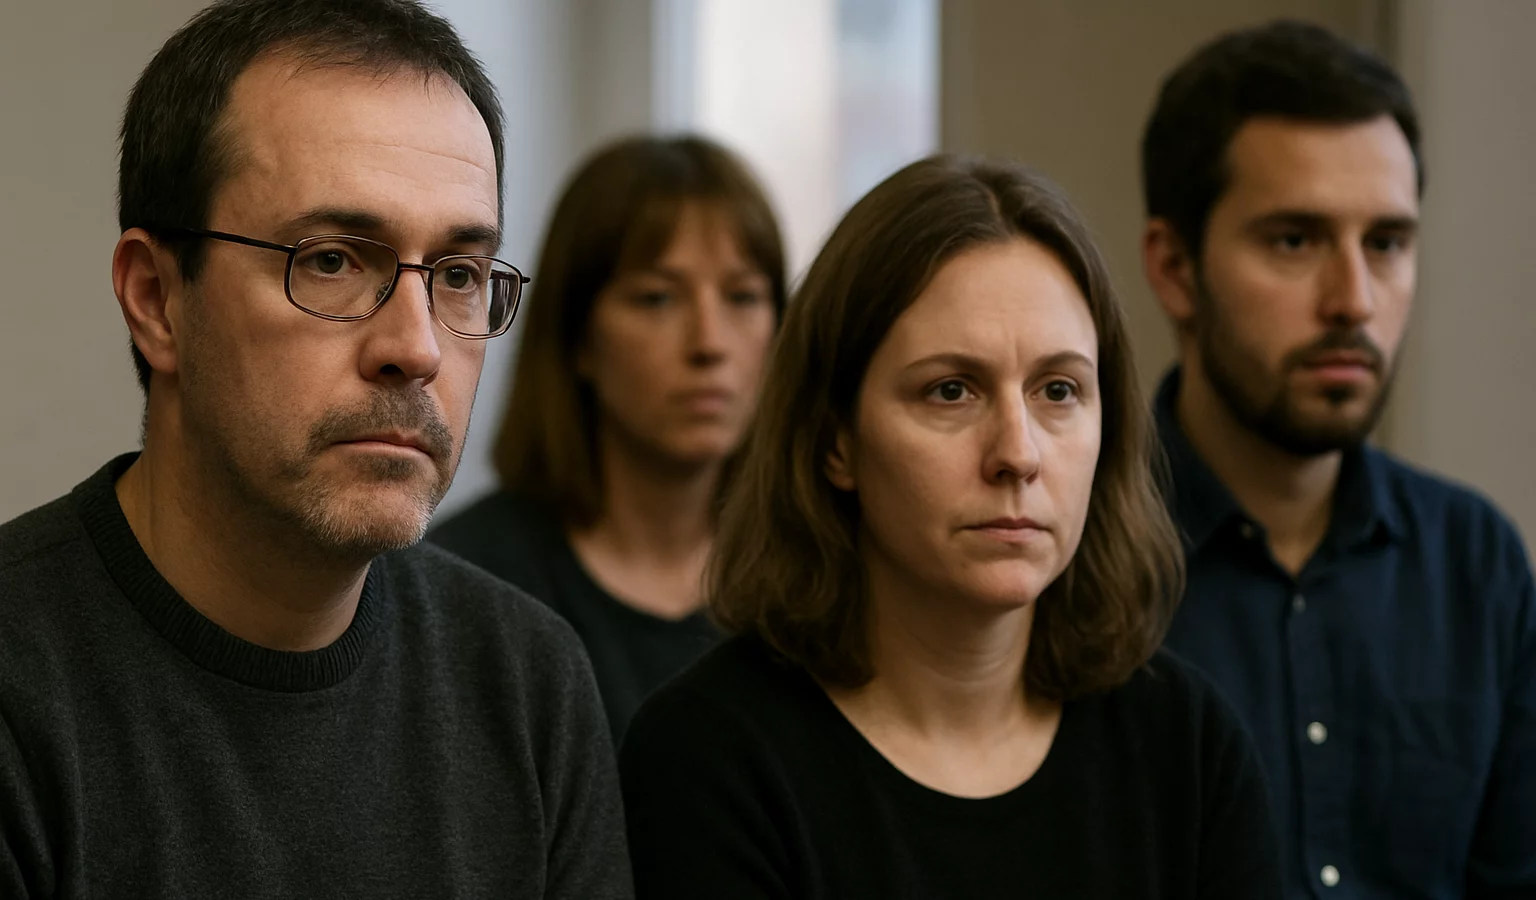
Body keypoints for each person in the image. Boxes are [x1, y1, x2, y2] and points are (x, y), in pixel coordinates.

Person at [0, 1, 631, 896]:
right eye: (332, 259)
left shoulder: (527, 682)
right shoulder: (23, 690)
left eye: (458, 274)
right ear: (156, 300)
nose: (416, 348)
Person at [619, 155, 1282, 899]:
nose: (1018, 454)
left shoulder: (1188, 747)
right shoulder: (707, 758)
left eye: (1058, 390)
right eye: (951, 391)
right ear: (837, 441)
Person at [1140, 20, 1536, 898]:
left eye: (1386, 243)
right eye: (1295, 240)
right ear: (1173, 268)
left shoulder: (1475, 565)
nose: (1354, 300)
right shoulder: (1073, 556)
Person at [430, 135, 785, 741]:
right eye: (657, 298)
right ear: (579, 338)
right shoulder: (463, 585)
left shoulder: (811, 578)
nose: (710, 343)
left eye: (743, 296)